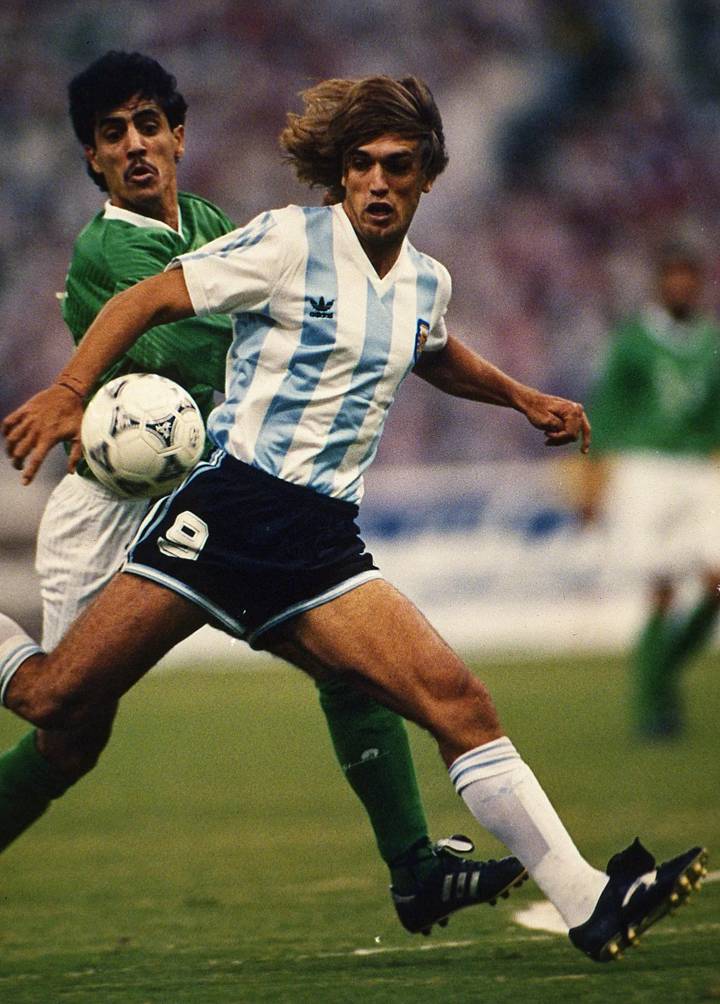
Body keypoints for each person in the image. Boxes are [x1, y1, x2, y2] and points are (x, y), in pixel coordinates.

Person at [1, 74, 707, 963]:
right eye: (362, 167)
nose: (378, 183)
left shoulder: (426, 282)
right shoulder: (291, 241)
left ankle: (588, 902)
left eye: (397, 168)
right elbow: (148, 299)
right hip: (228, 517)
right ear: (340, 176)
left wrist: (525, 398)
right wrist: (70, 393)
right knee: (55, 700)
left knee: (460, 703)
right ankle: (423, 866)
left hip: (322, 543)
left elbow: (435, 352)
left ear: (427, 178)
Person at [584, 246, 720, 739]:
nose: (681, 286)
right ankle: (653, 710)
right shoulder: (633, 342)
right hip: (646, 468)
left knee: (715, 582)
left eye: (690, 277)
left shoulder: (711, 340)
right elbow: (607, 410)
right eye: (674, 277)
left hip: (699, 468)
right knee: (661, 589)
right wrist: (593, 481)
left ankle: (663, 675)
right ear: (660, 283)